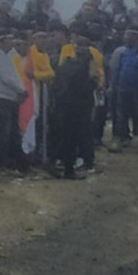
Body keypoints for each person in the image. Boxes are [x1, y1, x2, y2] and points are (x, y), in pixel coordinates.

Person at [49, 36, 96, 179]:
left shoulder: (64, 65)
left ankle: (58, 165)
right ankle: (61, 166)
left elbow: (55, 86)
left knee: (64, 137)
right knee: (71, 139)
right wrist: (93, 81)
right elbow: (83, 90)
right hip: (76, 108)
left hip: (61, 106)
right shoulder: (82, 69)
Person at [0, 30, 28, 170]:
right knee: (2, 133)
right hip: (1, 98)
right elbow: (7, 78)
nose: (12, 42)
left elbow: (14, 76)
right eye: (9, 39)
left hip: (9, 98)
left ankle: (12, 160)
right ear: (1, 41)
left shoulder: (7, 56)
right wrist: (22, 90)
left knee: (10, 132)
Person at [110, 26, 138, 153]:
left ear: (137, 36)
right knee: (120, 116)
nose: (126, 37)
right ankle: (118, 140)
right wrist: (115, 85)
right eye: (126, 35)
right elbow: (118, 69)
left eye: (129, 35)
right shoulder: (123, 51)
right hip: (123, 88)